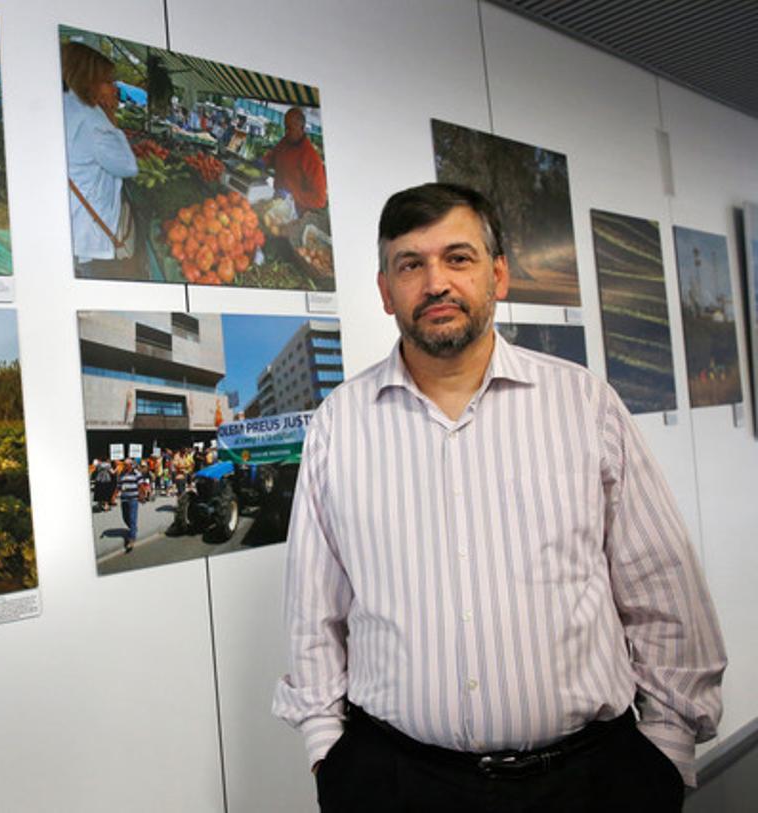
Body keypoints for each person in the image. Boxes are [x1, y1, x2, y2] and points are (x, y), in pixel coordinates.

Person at [273, 182, 726, 812]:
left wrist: (666, 749)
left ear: (499, 276)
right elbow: (312, 609)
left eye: (458, 258)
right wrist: (329, 750)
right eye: (411, 264)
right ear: (384, 290)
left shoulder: (584, 406)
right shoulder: (338, 425)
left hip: (589, 781)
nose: (436, 282)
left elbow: (663, 589)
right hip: (398, 784)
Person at [61, 41, 138, 274]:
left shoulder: (65, 105)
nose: (114, 88)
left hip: (72, 225)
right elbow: (127, 166)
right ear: (87, 79)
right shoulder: (94, 121)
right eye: (107, 81)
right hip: (89, 236)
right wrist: (111, 116)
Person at [262, 107, 327, 213]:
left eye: (290, 128)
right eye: (285, 127)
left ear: (301, 127)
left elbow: (320, 200)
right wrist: (263, 161)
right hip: (277, 202)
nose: (286, 132)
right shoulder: (285, 142)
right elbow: (273, 157)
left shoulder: (311, 157)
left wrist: (293, 195)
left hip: (295, 213)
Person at [116, 457, 142, 553]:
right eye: (124, 465)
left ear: (131, 465)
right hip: (124, 499)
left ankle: (131, 540)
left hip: (133, 499)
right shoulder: (121, 474)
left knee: (132, 518)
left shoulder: (137, 474)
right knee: (125, 517)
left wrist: (142, 496)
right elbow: (118, 486)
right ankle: (133, 528)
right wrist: (113, 496)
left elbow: (141, 486)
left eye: (126, 465)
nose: (125, 466)